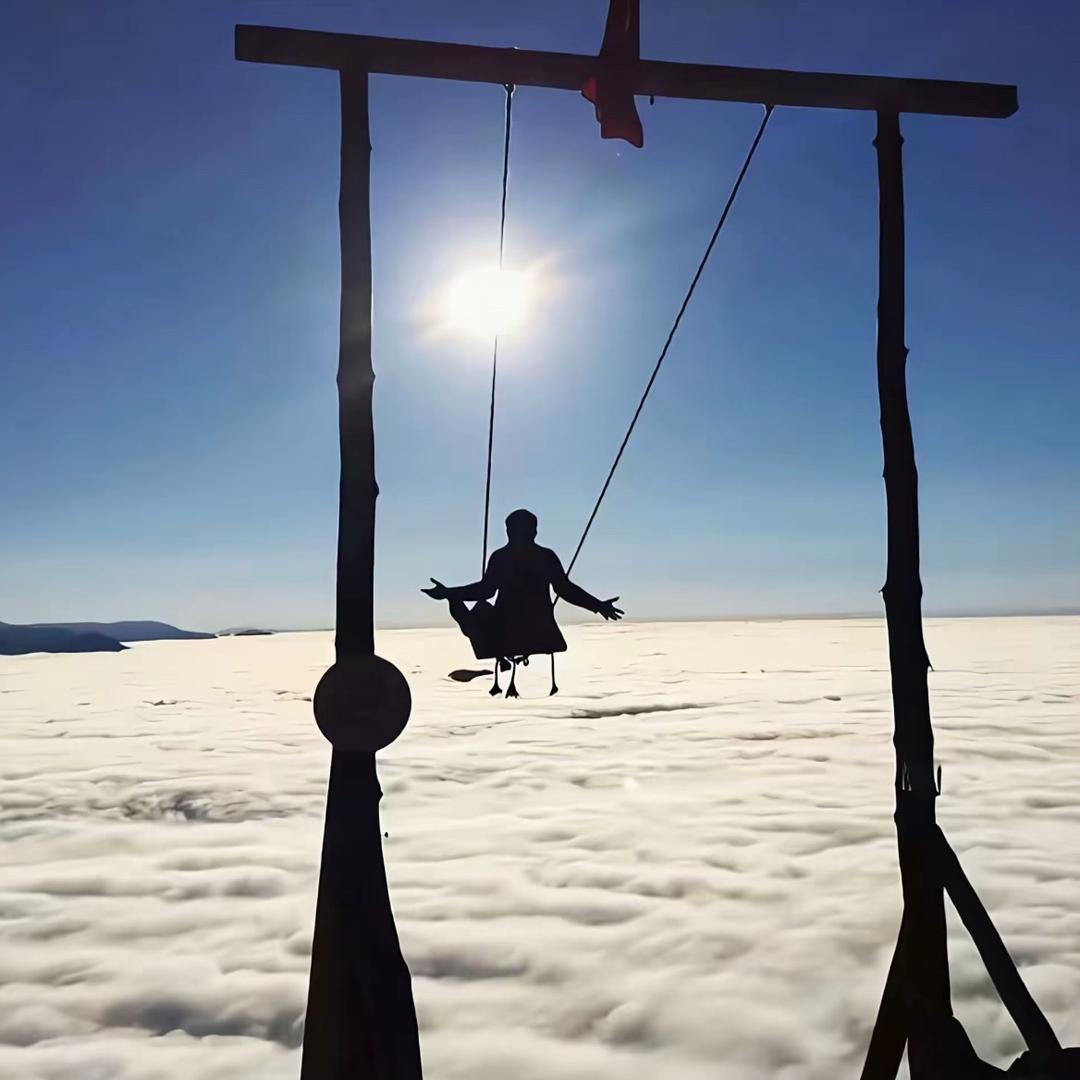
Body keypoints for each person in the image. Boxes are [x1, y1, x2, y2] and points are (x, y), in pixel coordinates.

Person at [423, 509, 623, 696]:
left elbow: (485, 590)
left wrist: (449, 593)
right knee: (480, 606)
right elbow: (565, 589)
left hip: (506, 631)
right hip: (539, 630)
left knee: (479, 608)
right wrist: (598, 606)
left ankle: (482, 638)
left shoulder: (502, 557)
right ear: (534, 531)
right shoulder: (545, 557)